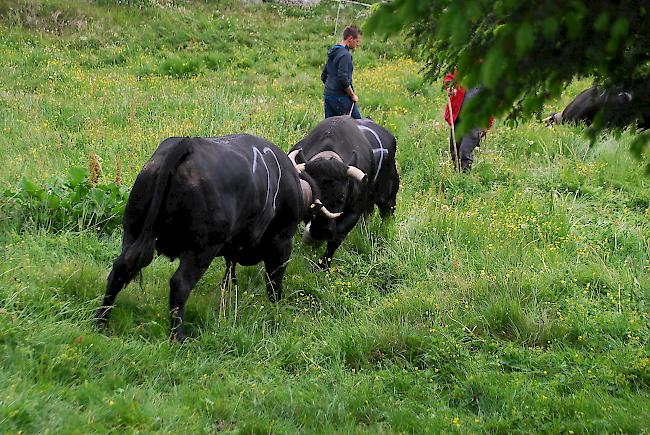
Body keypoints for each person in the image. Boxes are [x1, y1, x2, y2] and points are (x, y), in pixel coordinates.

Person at [444, 69, 493, 172]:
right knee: (454, 150)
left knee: (465, 151)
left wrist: (488, 124)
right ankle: (456, 176)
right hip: (458, 117)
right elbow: (449, 78)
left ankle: (465, 179)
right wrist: (449, 87)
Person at [321, 25, 362, 119]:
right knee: (357, 125)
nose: (358, 44)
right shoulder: (345, 55)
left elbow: (324, 76)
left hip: (328, 95)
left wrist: (331, 88)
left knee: (330, 128)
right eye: (357, 41)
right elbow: (342, 78)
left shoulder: (333, 52)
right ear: (350, 38)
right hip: (340, 98)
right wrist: (352, 95)